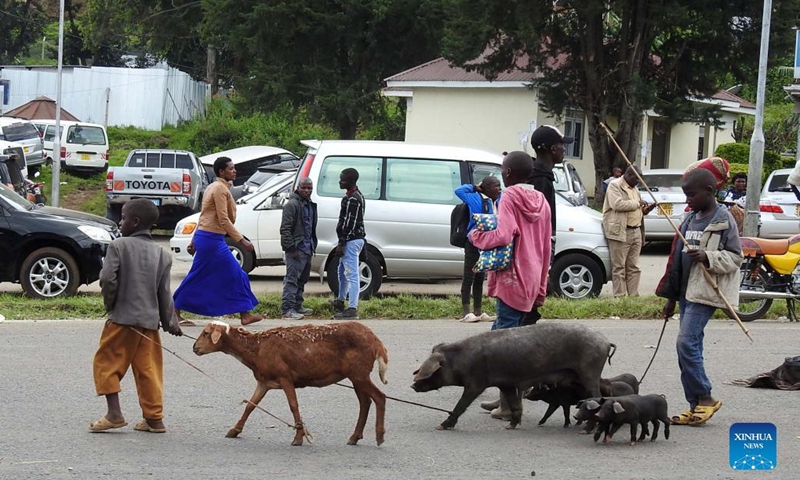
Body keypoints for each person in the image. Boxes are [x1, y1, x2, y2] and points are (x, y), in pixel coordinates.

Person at [656, 168, 742, 427]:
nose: (687, 200)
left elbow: (736, 258)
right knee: (689, 347)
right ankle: (696, 405)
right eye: (685, 195)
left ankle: (705, 397)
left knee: (686, 343)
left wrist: (708, 257)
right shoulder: (688, 220)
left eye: (691, 195)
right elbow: (676, 263)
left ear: (709, 191)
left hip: (704, 293)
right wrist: (670, 299)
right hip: (684, 292)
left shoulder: (724, 219)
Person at [470, 151, 552, 419]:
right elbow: (545, 247)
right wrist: (541, 287)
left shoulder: (509, 198)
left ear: (506, 173)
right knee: (510, 338)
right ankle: (505, 397)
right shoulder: (541, 200)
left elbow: (504, 234)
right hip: (531, 278)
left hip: (511, 278)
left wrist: (477, 236)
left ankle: (509, 406)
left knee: (504, 347)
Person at [90, 199, 183, 433]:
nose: (120, 222)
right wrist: (169, 321)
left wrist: (112, 306)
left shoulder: (118, 246)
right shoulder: (163, 254)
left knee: (106, 363)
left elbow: (107, 279)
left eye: (122, 218)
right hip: (149, 324)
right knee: (148, 369)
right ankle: (155, 419)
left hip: (122, 320)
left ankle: (114, 414)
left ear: (135, 222)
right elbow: (164, 292)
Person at [173, 156, 263, 326]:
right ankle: (174, 310)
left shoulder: (214, 187)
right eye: (231, 168)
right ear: (221, 171)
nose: (234, 171)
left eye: (234, 168)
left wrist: (193, 240)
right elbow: (223, 220)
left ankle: (245, 314)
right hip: (211, 240)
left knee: (229, 274)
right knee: (233, 274)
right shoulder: (220, 189)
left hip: (208, 238)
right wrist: (242, 241)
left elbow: (204, 215)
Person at [524, 125, 572, 325]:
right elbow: (535, 225)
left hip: (539, 252)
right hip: (534, 253)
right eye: (562, 145)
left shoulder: (541, 176)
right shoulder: (539, 180)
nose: (564, 149)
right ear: (553, 149)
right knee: (527, 311)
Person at [454, 176, 502, 322]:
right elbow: (458, 190)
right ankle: (466, 312)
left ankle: (478, 310)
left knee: (480, 277)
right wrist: (475, 187)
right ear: (486, 188)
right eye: (496, 186)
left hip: (487, 242)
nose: (499, 189)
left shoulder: (498, 200)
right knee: (469, 275)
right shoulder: (474, 198)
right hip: (473, 241)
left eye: (500, 186)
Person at [602, 165, 655, 296]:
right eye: (637, 179)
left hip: (636, 230)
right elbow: (617, 204)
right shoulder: (615, 185)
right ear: (629, 175)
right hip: (620, 231)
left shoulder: (635, 188)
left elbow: (638, 208)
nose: (638, 182)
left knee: (634, 267)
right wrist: (638, 203)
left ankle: (633, 296)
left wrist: (645, 210)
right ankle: (620, 296)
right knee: (619, 267)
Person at [280, 177, 317, 320]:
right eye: (304, 188)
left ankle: (297, 306)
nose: (307, 191)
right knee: (292, 279)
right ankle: (287, 309)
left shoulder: (309, 205)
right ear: (298, 188)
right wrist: (290, 248)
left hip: (307, 248)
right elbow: (285, 229)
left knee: (302, 279)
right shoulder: (292, 205)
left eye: (309, 188)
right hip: (296, 249)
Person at [331, 167, 366, 320]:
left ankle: (352, 308)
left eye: (342, 178)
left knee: (352, 274)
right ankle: (340, 300)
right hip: (352, 239)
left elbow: (350, 224)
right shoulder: (355, 196)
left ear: (350, 181)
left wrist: (342, 243)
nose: (340, 181)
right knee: (341, 271)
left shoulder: (353, 199)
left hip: (351, 240)